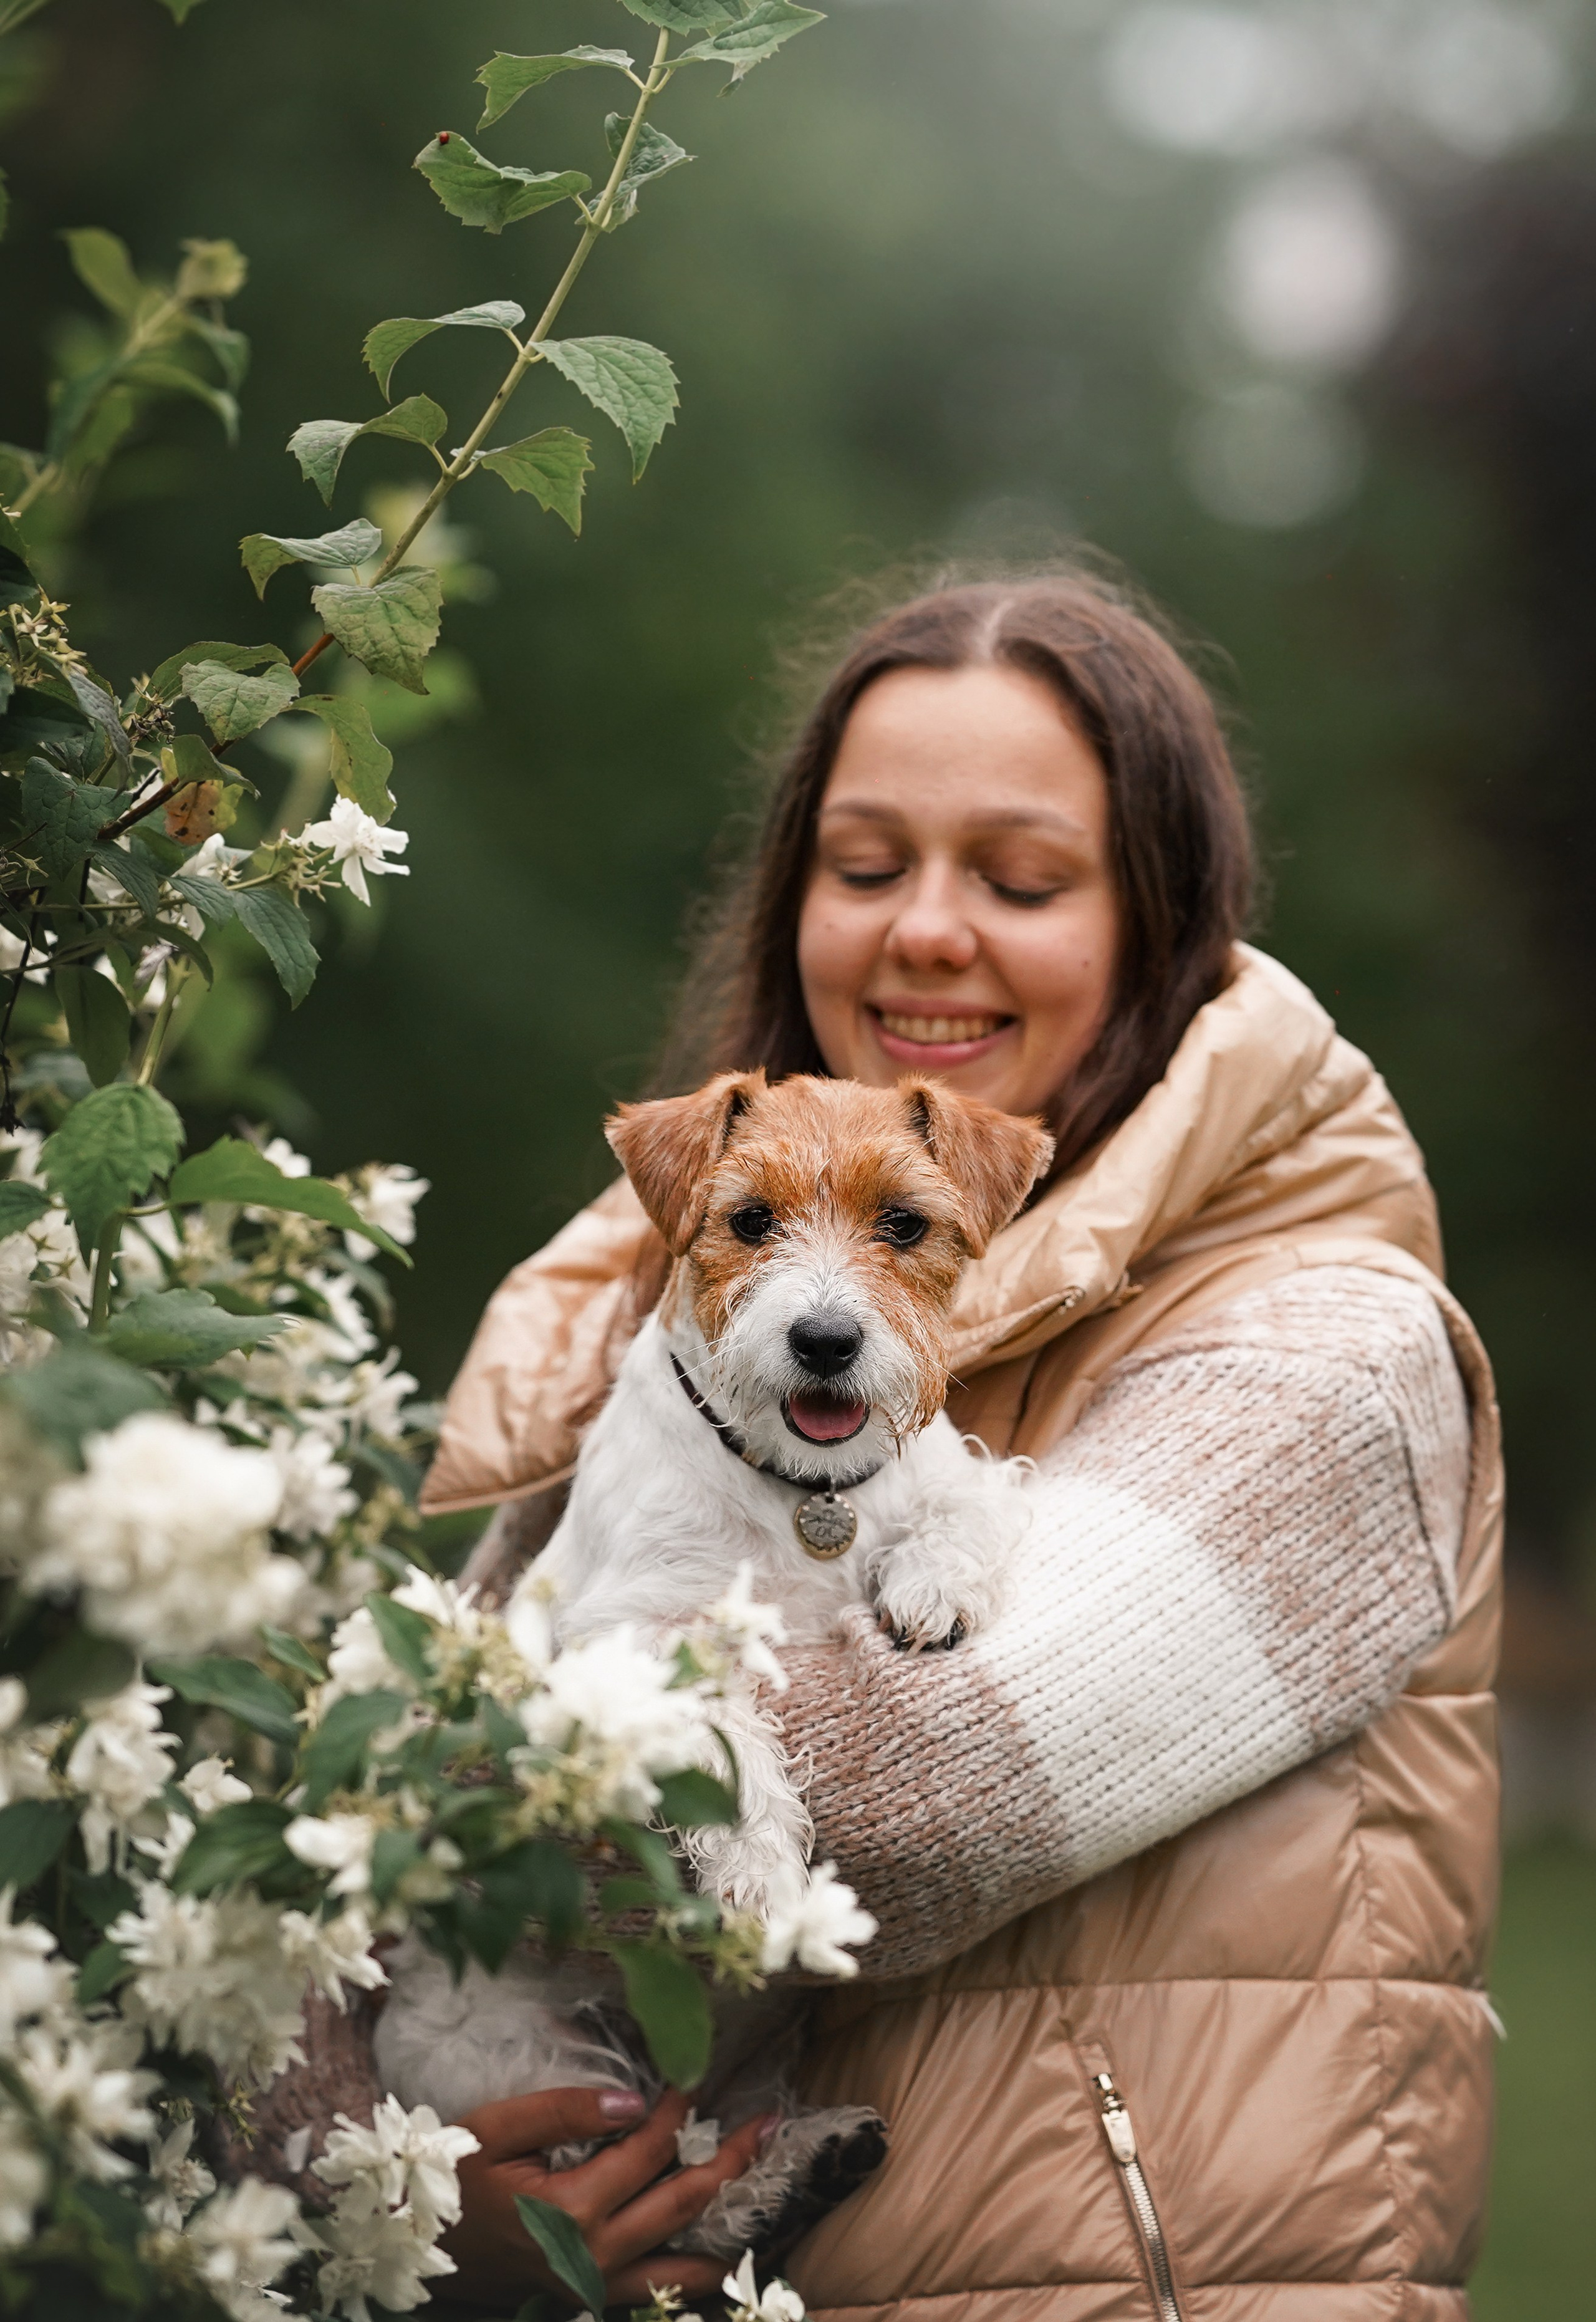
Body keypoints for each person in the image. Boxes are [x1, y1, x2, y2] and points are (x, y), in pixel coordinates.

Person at [292, 570, 1502, 2319]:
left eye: (1020, 878)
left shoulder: (1335, 1351)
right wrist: (374, 2188)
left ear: (1166, 923)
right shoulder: (642, 1329)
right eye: (864, 868)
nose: (927, 929)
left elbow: (910, 1793)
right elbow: (308, 1889)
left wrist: (415, 1813)